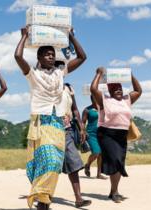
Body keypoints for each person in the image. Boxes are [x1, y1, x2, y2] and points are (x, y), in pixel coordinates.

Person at [15, 25, 86, 209]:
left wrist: (70, 35)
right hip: (42, 121)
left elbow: (82, 57)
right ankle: (41, 196)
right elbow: (17, 57)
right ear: (39, 58)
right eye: (47, 54)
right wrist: (24, 37)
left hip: (57, 122)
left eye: (53, 54)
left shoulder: (59, 73)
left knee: (55, 164)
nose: (51, 56)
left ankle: (44, 200)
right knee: (49, 160)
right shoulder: (33, 74)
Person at [90, 67, 142, 203]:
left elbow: (138, 91)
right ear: (110, 91)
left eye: (120, 88)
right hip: (107, 134)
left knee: (119, 162)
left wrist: (131, 75)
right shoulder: (104, 100)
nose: (118, 90)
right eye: (114, 89)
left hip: (121, 135)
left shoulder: (127, 100)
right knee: (116, 160)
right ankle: (115, 192)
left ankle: (113, 191)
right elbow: (93, 89)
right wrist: (99, 74)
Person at [61, 83, 91, 208]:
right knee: (49, 165)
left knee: (73, 161)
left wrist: (81, 127)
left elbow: (74, 109)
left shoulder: (68, 88)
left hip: (67, 130)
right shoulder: (45, 82)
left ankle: (78, 198)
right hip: (48, 129)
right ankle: (42, 198)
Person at [82, 96, 107, 179]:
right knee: (96, 152)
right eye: (94, 98)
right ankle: (87, 165)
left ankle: (99, 174)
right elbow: (83, 122)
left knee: (101, 154)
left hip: (102, 133)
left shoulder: (103, 109)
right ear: (92, 99)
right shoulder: (87, 110)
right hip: (91, 134)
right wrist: (83, 132)